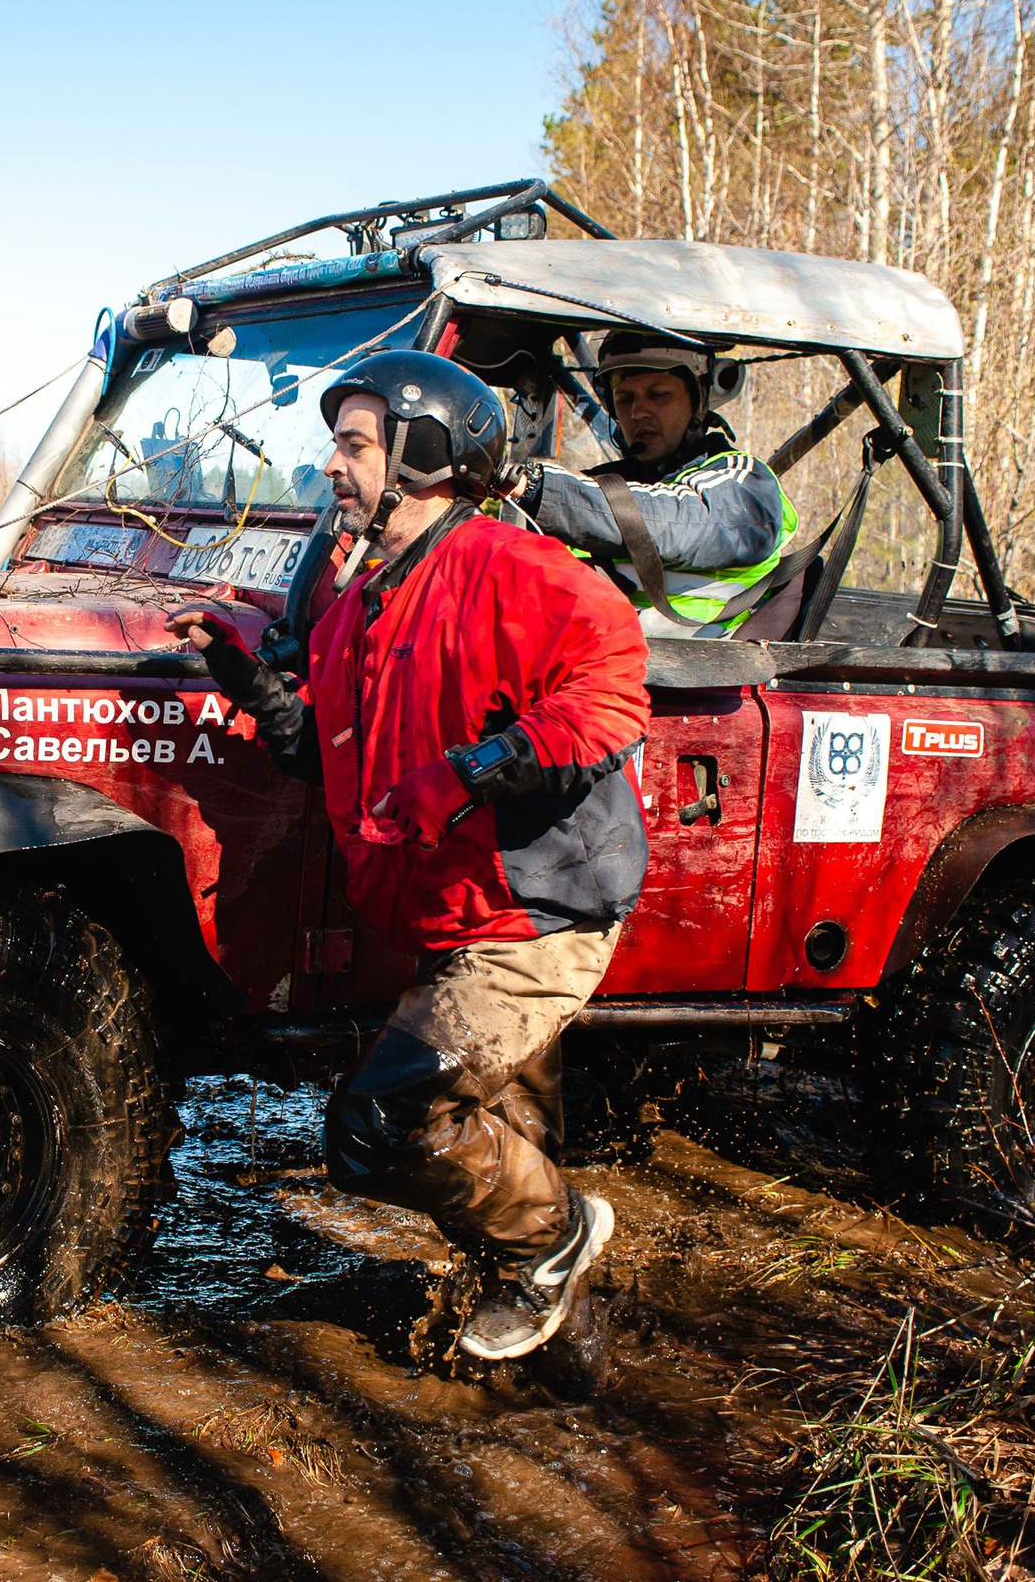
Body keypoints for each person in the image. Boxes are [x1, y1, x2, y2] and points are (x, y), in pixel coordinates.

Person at [168, 350, 651, 1363]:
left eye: (354, 445)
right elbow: (323, 749)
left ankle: (563, 1239)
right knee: (499, 1152)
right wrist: (242, 675)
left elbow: (611, 690)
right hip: (452, 912)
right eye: (334, 446)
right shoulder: (360, 605)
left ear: (426, 454)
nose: (331, 467)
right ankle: (559, 1360)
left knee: (380, 1124)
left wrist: (472, 770)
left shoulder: (510, 567)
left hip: (532, 912)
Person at [511, 332, 798, 637]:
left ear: (699, 401)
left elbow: (677, 521)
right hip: (601, 657)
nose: (637, 412)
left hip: (709, 662)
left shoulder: (744, 481)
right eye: (625, 399)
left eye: (659, 394)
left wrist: (536, 486)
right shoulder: (595, 486)